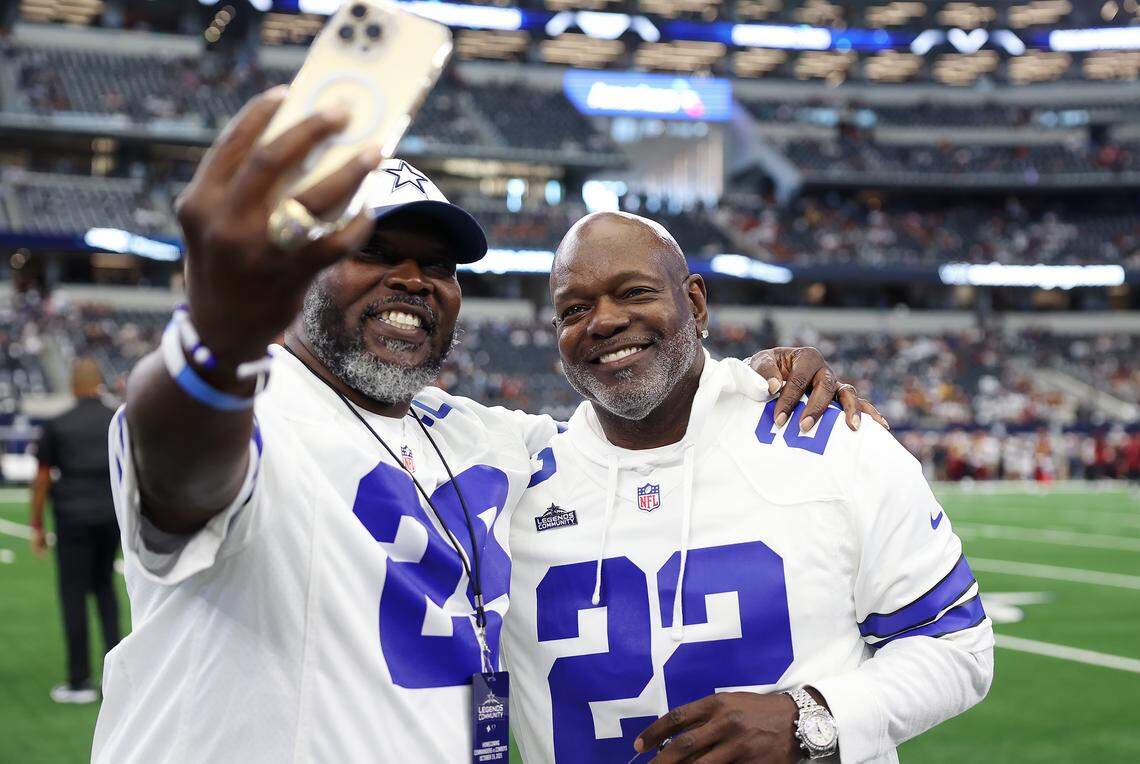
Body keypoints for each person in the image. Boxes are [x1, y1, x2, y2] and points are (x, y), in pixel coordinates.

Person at [94, 89, 878, 762]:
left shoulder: (482, 437)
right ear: (300, 268)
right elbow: (179, 474)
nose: (413, 279)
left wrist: (744, 377)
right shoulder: (245, 410)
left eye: (438, 265)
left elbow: (634, 419)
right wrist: (212, 346)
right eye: (373, 250)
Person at [504, 211, 994, 764]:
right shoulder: (510, 482)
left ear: (695, 303)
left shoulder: (837, 444)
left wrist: (810, 719)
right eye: (575, 308)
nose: (605, 321)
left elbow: (957, 646)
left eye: (634, 292)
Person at [29, 357, 122, 705]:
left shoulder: (58, 424)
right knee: (105, 591)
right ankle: (118, 678)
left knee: (73, 595)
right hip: (111, 517)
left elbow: (40, 480)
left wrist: (37, 524)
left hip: (72, 518)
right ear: (100, 383)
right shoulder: (116, 419)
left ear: (73, 385)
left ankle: (80, 680)